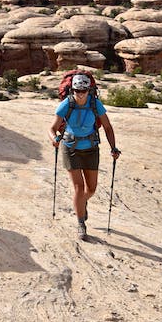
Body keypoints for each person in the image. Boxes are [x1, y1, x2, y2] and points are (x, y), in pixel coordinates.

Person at [49, 73, 120, 240]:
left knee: (91, 189)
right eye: (76, 90)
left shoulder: (95, 104)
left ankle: (81, 203)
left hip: (91, 148)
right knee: (79, 188)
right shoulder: (66, 104)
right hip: (70, 148)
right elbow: (52, 128)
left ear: (89, 90)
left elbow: (108, 127)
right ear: (71, 90)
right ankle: (81, 223)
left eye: (83, 90)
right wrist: (54, 139)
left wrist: (113, 147)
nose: (80, 94)